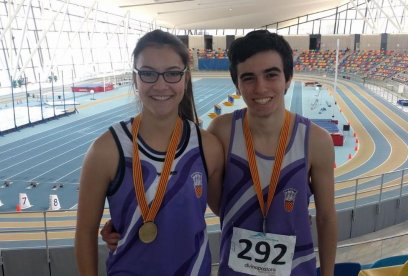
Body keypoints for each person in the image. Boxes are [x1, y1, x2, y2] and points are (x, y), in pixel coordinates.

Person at [102, 29, 337, 276]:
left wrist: (329, 273)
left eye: (271, 75)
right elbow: (195, 194)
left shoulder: (316, 141)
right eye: (248, 78)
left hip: (297, 270)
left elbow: (326, 218)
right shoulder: (222, 133)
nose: (260, 87)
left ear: (288, 79)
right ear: (237, 84)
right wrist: (127, 222)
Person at [75, 29, 223, 276]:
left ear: (185, 79)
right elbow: (85, 232)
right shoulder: (105, 151)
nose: (161, 84)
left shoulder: (208, 147)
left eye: (172, 73)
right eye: (148, 74)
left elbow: (225, 210)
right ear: (135, 80)